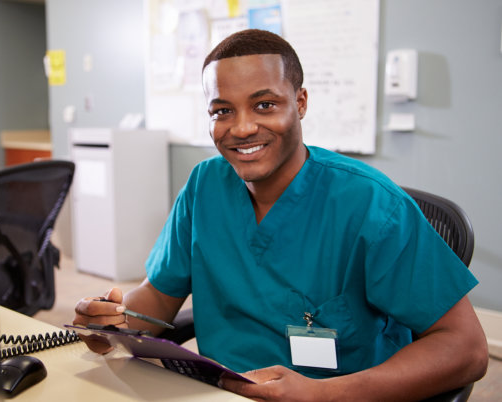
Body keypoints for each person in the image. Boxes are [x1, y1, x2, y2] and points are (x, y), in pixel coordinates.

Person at [74, 29, 488, 401]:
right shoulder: (205, 186)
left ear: (300, 103)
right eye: (222, 111)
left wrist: (323, 395)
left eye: (265, 104)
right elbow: (159, 297)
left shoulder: (372, 205)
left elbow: (466, 348)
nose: (241, 128)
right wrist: (113, 320)